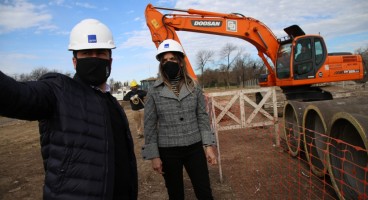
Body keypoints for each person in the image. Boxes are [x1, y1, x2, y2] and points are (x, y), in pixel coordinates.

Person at [0, 19, 138, 200]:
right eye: (87, 53)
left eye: (100, 53)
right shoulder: (58, 91)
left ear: (110, 60)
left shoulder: (112, 102)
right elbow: (17, 96)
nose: (94, 58)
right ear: (74, 61)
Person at [141, 39, 218, 200]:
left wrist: (208, 146)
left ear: (180, 62)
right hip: (168, 151)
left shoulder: (194, 86)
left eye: (172, 59)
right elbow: (149, 125)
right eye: (165, 61)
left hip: (194, 148)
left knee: (204, 191)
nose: (169, 63)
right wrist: (154, 156)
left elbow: (202, 117)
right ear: (161, 65)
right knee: (175, 193)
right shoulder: (154, 91)